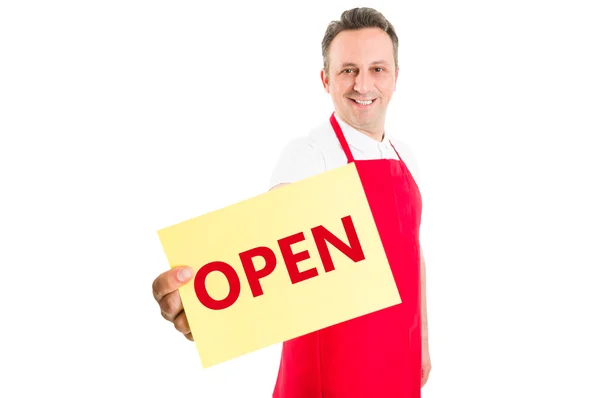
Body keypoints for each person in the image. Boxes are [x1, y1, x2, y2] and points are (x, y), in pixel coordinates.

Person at [152, 7, 431, 398]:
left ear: (396, 77)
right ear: (325, 79)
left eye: (377, 69)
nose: (363, 84)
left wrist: (422, 344)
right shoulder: (308, 155)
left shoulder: (406, 156)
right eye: (348, 69)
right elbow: (264, 248)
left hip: (396, 367)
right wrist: (204, 306)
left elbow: (412, 252)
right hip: (330, 377)